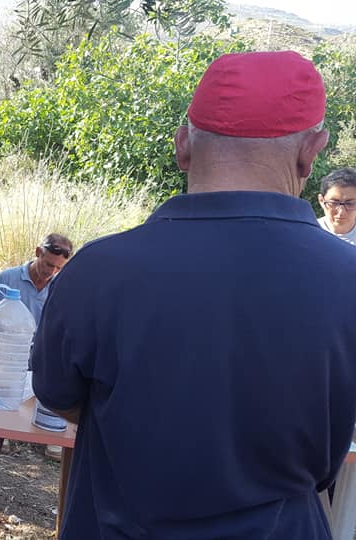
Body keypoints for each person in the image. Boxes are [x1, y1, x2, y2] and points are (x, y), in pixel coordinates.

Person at [31, 50, 356, 538]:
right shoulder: (347, 278)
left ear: (183, 145)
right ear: (312, 152)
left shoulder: (97, 270)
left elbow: (58, 399)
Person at [0, 233, 70, 459]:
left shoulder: (62, 285)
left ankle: (50, 434)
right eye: (49, 264)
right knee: (4, 387)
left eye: (58, 268)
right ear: (37, 253)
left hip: (42, 352)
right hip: (8, 349)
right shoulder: (9, 277)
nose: (51, 272)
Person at [317, 167, 356, 245]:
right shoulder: (309, 234)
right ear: (321, 201)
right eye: (334, 203)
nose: (341, 212)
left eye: (350, 203)